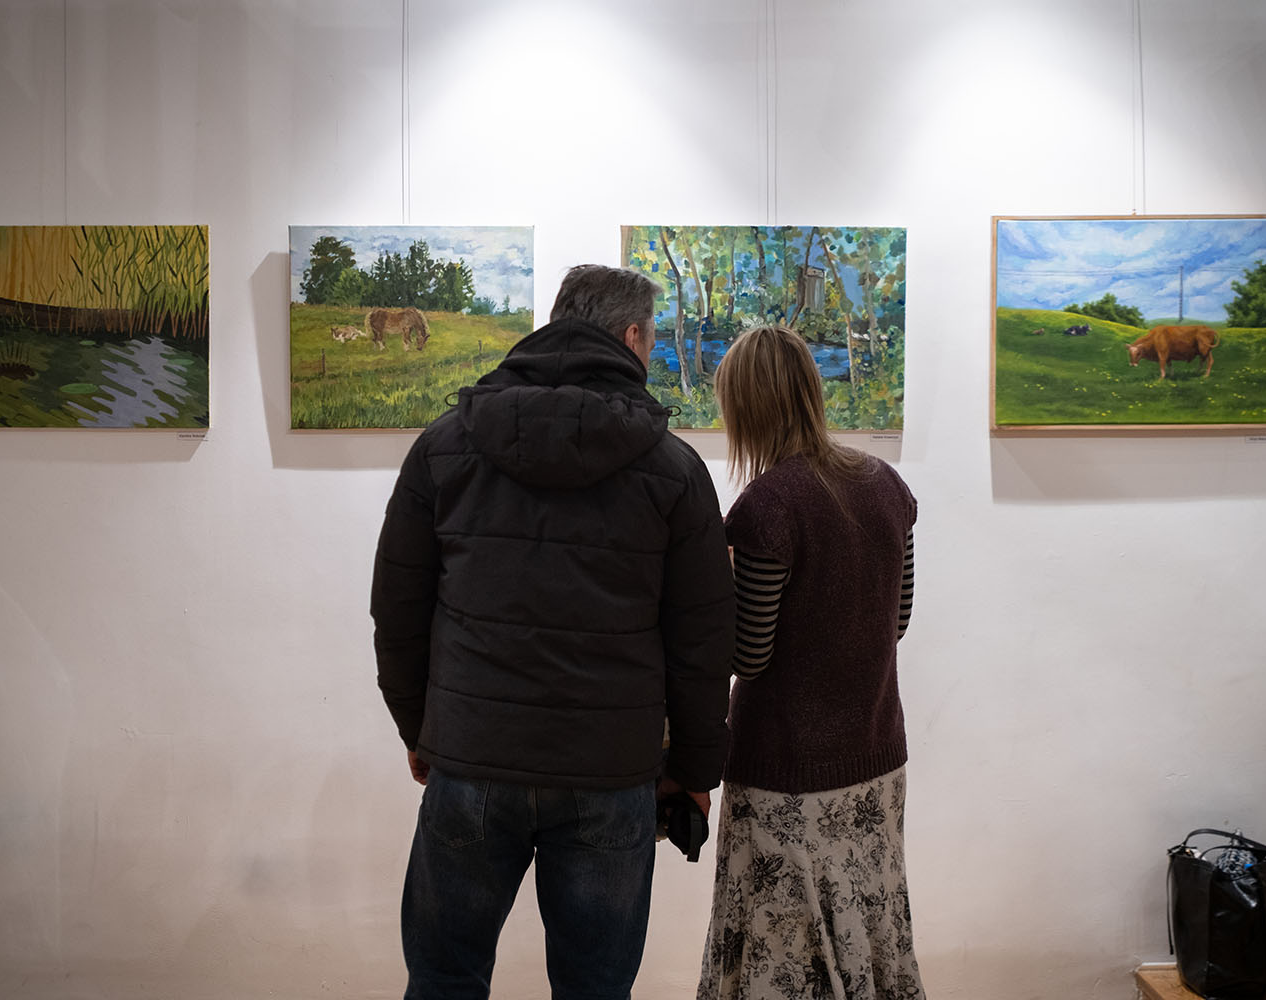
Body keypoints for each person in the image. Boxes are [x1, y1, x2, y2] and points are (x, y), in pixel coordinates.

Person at [371, 264, 736, 999]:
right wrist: (694, 772)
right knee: (595, 989)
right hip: (610, 770)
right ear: (631, 337)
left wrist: (422, 728)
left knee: (443, 980)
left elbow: (398, 612)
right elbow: (702, 644)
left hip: (473, 755)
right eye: (652, 339)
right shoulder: (674, 469)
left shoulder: (444, 447)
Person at [697, 325, 923, 1000]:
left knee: (786, 952)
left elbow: (749, 654)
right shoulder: (886, 485)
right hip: (875, 760)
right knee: (868, 928)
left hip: (787, 772)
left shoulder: (767, 507)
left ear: (747, 406)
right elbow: (897, 621)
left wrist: (714, 589)